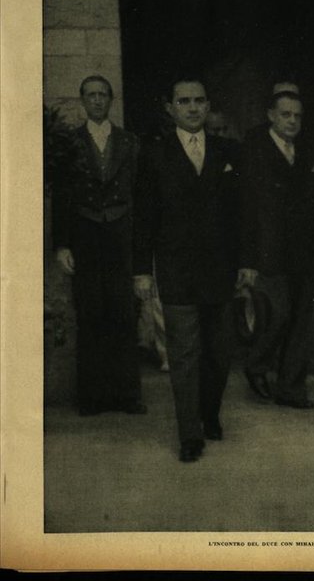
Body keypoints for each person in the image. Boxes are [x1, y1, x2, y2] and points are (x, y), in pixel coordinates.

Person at [133, 78, 238, 463]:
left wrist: (247, 263)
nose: (192, 108)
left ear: (208, 106)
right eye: (184, 101)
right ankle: (189, 434)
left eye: (199, 101)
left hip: (221, 271)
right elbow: (144, 217)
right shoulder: (154, 154)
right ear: (170, 108)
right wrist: (141, 271)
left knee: (219, 355)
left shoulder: (227, 150)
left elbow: (241, 213)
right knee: (184, 355)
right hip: (177, 270)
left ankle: (209, 414)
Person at [52, 75, 145, 416]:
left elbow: (138, 193)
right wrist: (62, 245)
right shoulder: (70, 143)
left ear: (111, 99)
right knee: (90, 314)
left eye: (102, 94)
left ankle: (127, 395)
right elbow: (62, 196)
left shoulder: (129, 142)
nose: (97, 100)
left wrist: (138, 242)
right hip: (85, 235)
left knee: (123, 313)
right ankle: (92, 397)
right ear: (82, 101)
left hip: (120, 234)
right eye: (90, 95)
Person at [238, 91, 314, 409]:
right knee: (278, 314)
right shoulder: (254, 152)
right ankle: (256, 364)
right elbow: (246, 209)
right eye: (285, 115)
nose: (292, 121)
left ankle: (291, 388)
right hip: (270, 251)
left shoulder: (307, 150)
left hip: (306, 251)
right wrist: (248, 258)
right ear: (271, 116)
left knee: (302, 321)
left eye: (297, 116)